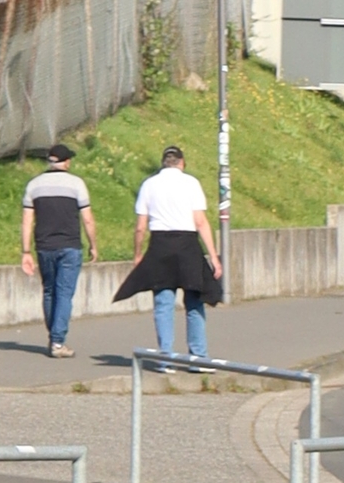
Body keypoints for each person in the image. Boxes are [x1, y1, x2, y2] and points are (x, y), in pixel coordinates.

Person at [113, 144, 221, 359]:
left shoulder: (149, 184)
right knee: (195, 301)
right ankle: (198, 357)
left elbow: (140, 227)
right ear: (182, 163)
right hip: (187, 245)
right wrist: (214, 257)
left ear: (163, 163)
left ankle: (166, 359)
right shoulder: (191, 183)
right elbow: (200, 222)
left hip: (160, 245)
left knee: (163, 303)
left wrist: (138, 254)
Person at [18, 143, 98, 359]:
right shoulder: (77, 184)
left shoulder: (34, 185)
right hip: (70, 246)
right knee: (64, 293)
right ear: (67, 162)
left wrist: (26, 251)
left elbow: (27, 220)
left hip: (44, 246)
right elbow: (88, 219)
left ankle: (54, 336)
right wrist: (93, 244)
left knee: (49, 290)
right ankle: (58, 341)